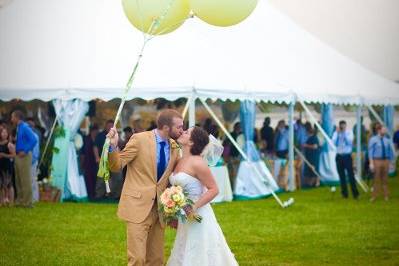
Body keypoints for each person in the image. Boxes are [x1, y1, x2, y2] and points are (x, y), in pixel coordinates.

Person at [107, 109, 183, 266]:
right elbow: (117, 165)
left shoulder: (175, 147)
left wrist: (174, 211)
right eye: (179, 127)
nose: (182, 130)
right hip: (137, 207)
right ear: (166, 127)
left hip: (160, 210)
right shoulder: (139, 139)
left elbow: (171, 179)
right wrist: (113, 147)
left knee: (156, 261)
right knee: (137, 259)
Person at [167, 126, 238, 265]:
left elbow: (214, 189)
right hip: (184, 215)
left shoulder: (198, 163)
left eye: (186, 132)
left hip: (198, 214)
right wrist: (173, 212)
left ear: (192, 142)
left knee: (199, 253)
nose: (182, 132)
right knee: (183, 248)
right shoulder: (180, 159)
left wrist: (193, 206)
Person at [11, 110, 38, 208]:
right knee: (18, 179)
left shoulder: (25, 127)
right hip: (18, 155)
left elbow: (34, 140)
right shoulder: (19, 127)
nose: (11, 119)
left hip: (24, 156)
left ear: (17, 118)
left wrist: (25, 150)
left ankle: (28, 202)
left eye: (12, 117)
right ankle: (20, 201)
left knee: (25, 179)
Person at [332, 120, 359, 199]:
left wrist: (343, 134)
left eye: (343, 125)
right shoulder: (336, 133)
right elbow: (334, 143)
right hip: (339, 156)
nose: (342, 127)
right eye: (341, 126)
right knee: (341, 176)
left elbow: (349, 142)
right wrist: (338, 134)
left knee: (351, 175)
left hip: (347, 156)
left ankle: (355, 193)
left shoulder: (349, 132)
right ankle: (344, 194)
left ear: (345, 125)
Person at [368, 124, 394, 202]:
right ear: (379, 130)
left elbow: (390, 151)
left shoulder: (387, 140)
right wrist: (371, 163)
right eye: (383, 129)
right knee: (376, 178)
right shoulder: (373, 139)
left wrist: (391, 162)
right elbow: (370, 152)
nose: (385, 131)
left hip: (386, 161)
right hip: (377, 160)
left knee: (385, 179)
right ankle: (374, 196)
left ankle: (386, 196)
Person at [94, 120, 114, 199]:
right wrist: (97, 157)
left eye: (111, 126)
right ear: (105, 126)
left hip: (112, 159)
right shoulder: (100, 135)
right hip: (102, 159)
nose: (110, 127)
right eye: (109, 126)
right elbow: (95, 146)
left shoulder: (114, 135)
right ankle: (99, 194)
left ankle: (109, 194)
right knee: (101, 177)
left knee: (111, 178)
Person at [81, 124, 99, 201]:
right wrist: (82, 163)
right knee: (88, 179)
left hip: (95, 163)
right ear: (92, 131)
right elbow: (83, 152)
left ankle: (93, 193)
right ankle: (89, 194)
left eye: (96, 131)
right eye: (94, 131)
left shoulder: (98, 139)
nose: (95, 133)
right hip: (87, 162)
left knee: (95, 179)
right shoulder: (86, 139)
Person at [0, 127, 16, 206]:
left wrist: (4, 155)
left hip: (7, 166)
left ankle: (11, 202)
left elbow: (14, 155)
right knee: (1, 185)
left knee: (9, 184)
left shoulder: (9, 144)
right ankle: (2, 201)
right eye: (3, 132)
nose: (4, 134)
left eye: (6, 133)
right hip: (1, 166)